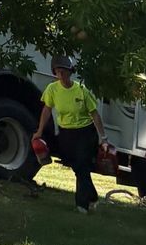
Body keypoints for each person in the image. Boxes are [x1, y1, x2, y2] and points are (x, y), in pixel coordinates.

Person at [34, 57, 105, 212]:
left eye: (64, 71)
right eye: (58, 72)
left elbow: (95, 114)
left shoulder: (81, 90)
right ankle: (92, 196)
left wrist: (103, 137)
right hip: (66, 132)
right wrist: (39, 130)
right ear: (55, 73)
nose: (61, 75)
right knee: (78, 167)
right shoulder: (52, 89)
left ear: (70, 72)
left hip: (85, 132)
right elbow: (47, 110)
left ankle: (81, 205)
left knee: (81, 165)